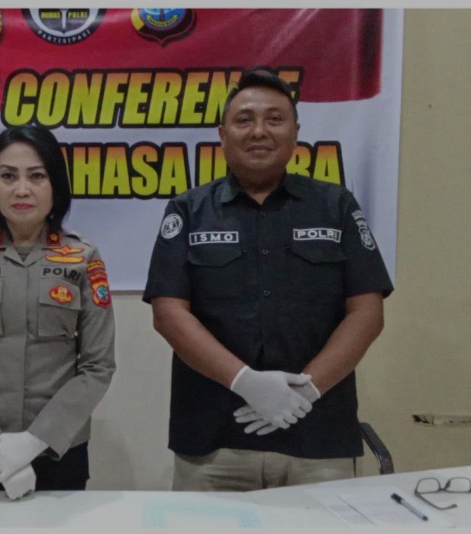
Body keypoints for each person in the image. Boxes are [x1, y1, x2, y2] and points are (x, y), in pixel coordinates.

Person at [143, 68, 393, 491]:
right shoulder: (188, 210)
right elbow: (168, 314)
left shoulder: (336, 206)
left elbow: (367, 313)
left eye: (274, 119)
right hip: (213, 442)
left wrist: (305, 391)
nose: (259, 130)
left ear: (296, 133)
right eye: (244, 120)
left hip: (318, 439)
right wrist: (245, 382)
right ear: (222, 135)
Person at [0, 124, 116, 499]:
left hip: (57, 452)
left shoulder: (83, 258)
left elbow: (98, 366)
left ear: (55, 184)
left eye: (36, 176)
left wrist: (34, 441)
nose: (21, 189)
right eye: (8, 176)